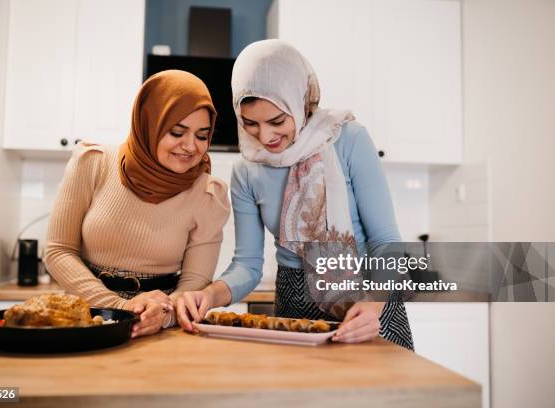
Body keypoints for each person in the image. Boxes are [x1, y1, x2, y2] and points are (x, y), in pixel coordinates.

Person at [175, 40, 414, 350]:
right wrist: (209, 294)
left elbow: (386, 241)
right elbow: (247, 264)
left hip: (368, 299)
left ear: (301, 103)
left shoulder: (348, 139)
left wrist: (374, 304)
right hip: (294, 300)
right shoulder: (247, 170)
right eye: (250, 123)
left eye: (277, 121)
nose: (265, 136)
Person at [44, 70, 231, 338]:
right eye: (177, 132)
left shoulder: (209, 194)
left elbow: (195, 282)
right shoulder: (93, 163)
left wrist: (163, 316)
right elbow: (58, 251)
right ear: (148, 124)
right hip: (85, 314)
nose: (190, 146)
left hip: (160, 325)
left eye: (202, 136)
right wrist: (121, 308)